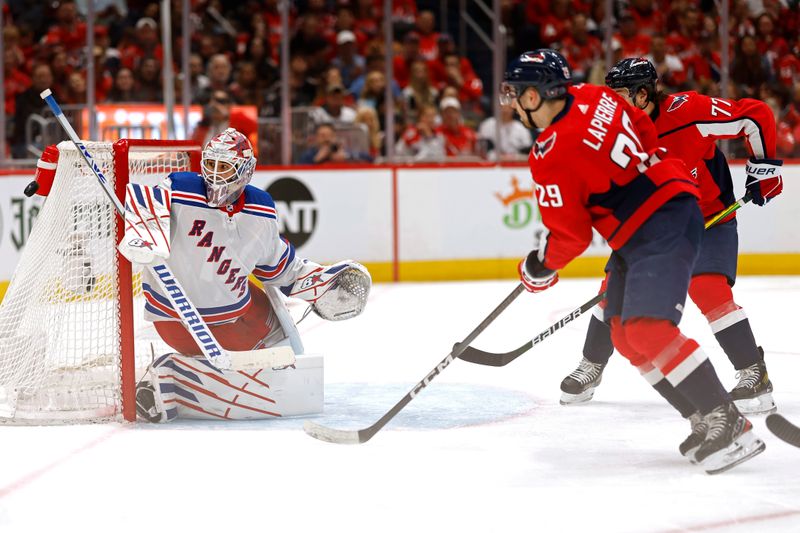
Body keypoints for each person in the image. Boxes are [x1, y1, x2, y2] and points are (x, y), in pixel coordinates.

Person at [503, 49, 765, 474]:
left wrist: (538, 267)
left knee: (649, 329)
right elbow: (644, 127)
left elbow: (569, 237)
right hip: (652, 219)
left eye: (518, 94)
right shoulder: (592, 96)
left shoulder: (548, 155)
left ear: (537, 95)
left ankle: (728, 421)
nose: (513, 104)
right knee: (625, 335)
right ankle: (703, 416)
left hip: (660, 223)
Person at [560, 58, 783, 418]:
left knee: (709, 289)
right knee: (612, 293)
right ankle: (591, 365)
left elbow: (754, 115)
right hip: (654, 226)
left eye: (620, 96)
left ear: (644, 93)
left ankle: (753, 374)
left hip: (710, 215)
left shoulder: (688, 113)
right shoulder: (615, 133)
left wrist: (764, 169)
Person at [118, 128, 371, 421]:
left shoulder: (260, 210)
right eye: (210, 165)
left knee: (271, 325)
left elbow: (279, 268)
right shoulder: (180, 189)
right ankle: (175, 377)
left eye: (224, 167)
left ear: (245, 170)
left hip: (222, 318)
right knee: (268, 352)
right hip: (179, 321)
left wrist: (323, 283)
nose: (214, 175)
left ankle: (201, 379)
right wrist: (144, 228)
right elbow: (144, 200)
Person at [299, 122, 372, 164]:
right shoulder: (309, 155)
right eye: (322, 136)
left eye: (329, 135)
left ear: (335, 136)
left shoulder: (342, 151)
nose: (326, 139)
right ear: (316, 138)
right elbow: (298, 170)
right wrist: (316, 160)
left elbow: (369, 159)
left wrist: (347, 157)